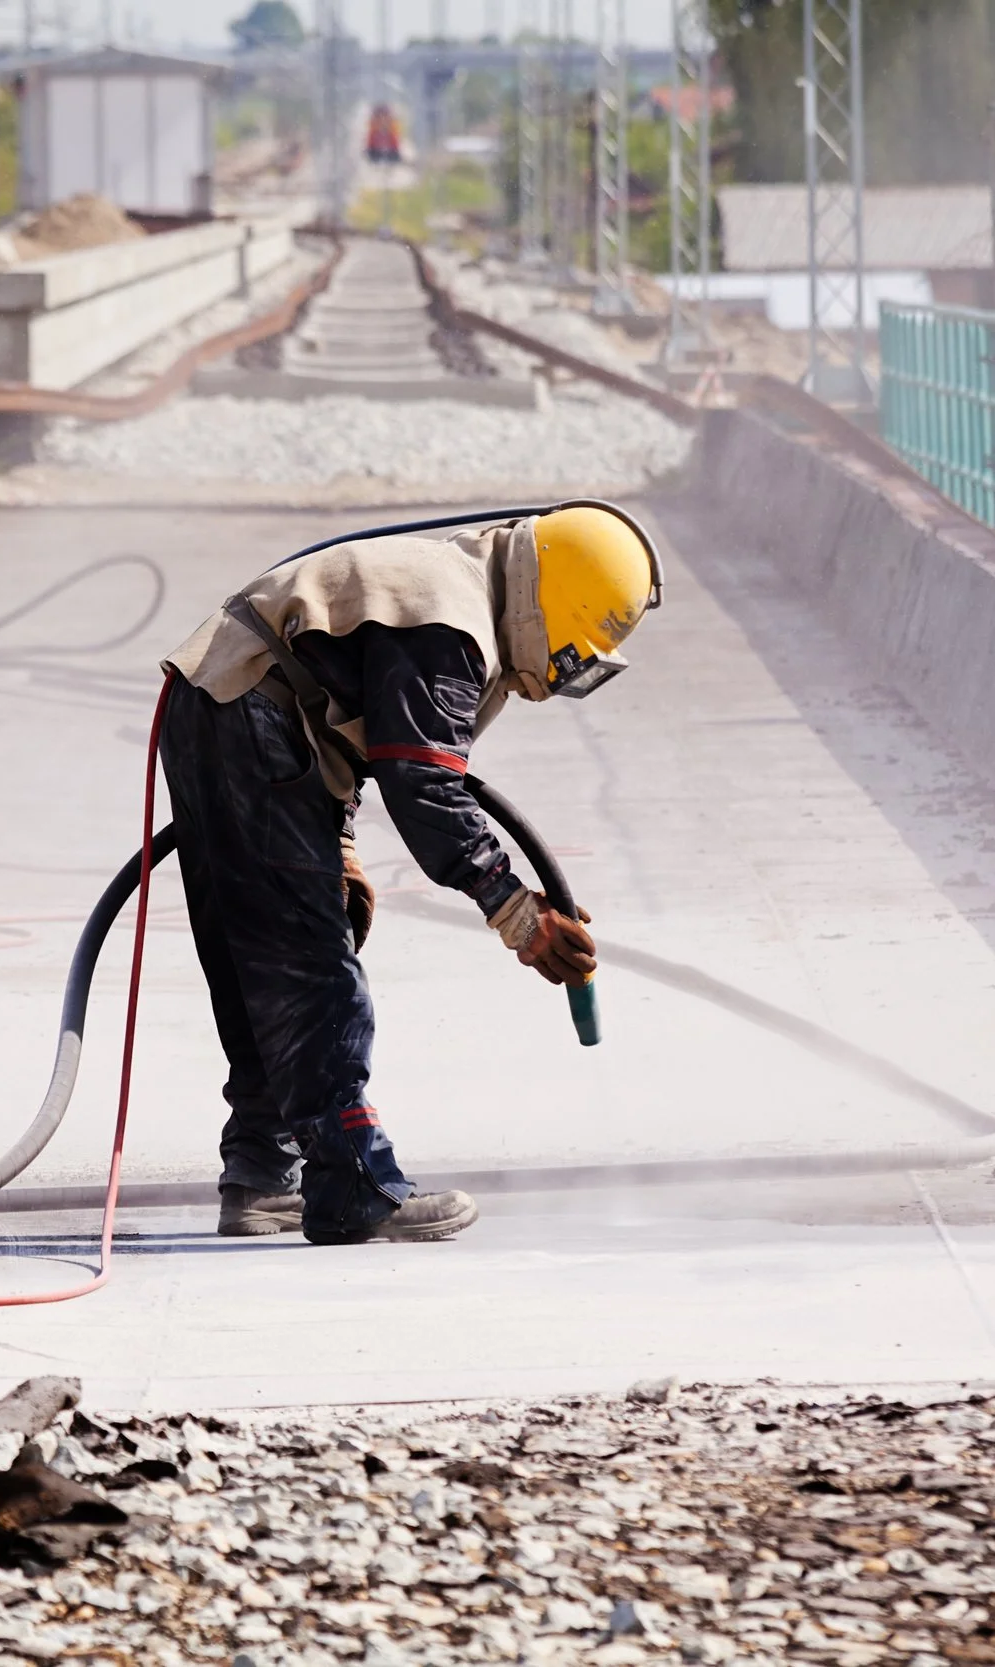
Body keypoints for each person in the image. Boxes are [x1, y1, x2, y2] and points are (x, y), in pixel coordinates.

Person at [157, 502, 663, 1245]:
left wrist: (340, 844)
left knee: (265, 968)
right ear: (553, 605)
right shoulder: (451, 623)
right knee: (313, 976)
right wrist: (516, 911)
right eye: (568, 657)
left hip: (221, 712)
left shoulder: (452, 589)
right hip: (254, 726)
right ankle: (357, 1185)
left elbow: (348, 709)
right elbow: (425, 787)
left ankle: (263, 1176)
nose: (555, 680)